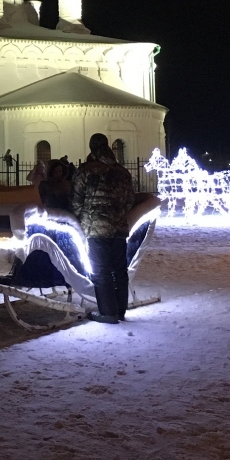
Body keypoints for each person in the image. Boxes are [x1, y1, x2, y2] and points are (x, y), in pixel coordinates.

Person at [70, 133, 135, 324]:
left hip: (96, 229)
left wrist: (85, 217)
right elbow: (129, 199)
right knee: (119, 271)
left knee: (101, 271)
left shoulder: (86, 171)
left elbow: (75, 200)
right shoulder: (122, 172)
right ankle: (120, 310)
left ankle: (108, 312)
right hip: (119, 228)